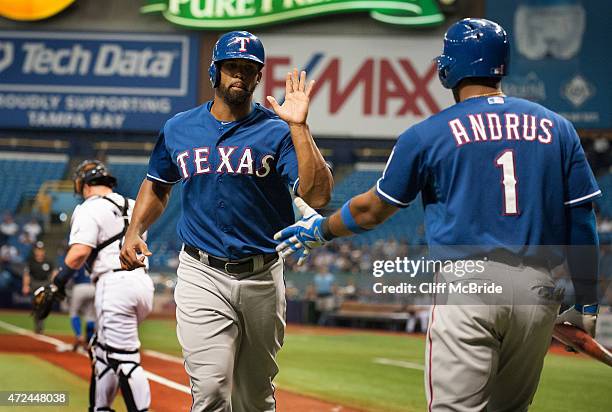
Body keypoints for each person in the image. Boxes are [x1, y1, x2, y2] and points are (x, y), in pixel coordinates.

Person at [275, 18, 601, 411]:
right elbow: (582, 221)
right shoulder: (559, 128)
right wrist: (586, 305)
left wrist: (321, 229)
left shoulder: (427, 133)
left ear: (450, 68)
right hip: (538, 290)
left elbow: (373, 209)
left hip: (469, 285)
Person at [119, 30, 332, 411]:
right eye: (231, 66)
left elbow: (317, 196)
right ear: (214, 72)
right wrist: (135, 230)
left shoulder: (278, 130)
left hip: (262, 274)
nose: (239, 75)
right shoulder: (178, 128)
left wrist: (299, 126)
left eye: (248, 69)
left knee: (254, 396)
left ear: (258, 77)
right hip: (201, 272)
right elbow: (157, 184)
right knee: (212, 390)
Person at [33, 160, 154, 412]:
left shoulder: (89, 207)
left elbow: (79, 253)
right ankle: (100, 408)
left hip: (114, 283)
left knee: (125, 358)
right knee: (102, 350)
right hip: (141, 284)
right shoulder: (132, 205)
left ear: (84, 185)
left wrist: (57, 284)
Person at [22, 242, 55, 333]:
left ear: (43, 251)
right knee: (37, 306)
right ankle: (38, 326)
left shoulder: (48, 261)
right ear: (35, 251)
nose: (39, 252)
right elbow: (27, 275)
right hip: (35, 285)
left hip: (45, 284)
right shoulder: (31, 262)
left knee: (43, 306)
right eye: (38, 250)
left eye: (41, 250)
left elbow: (53, 273)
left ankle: (40, 325)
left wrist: (53, 284)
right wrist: (25, 286)